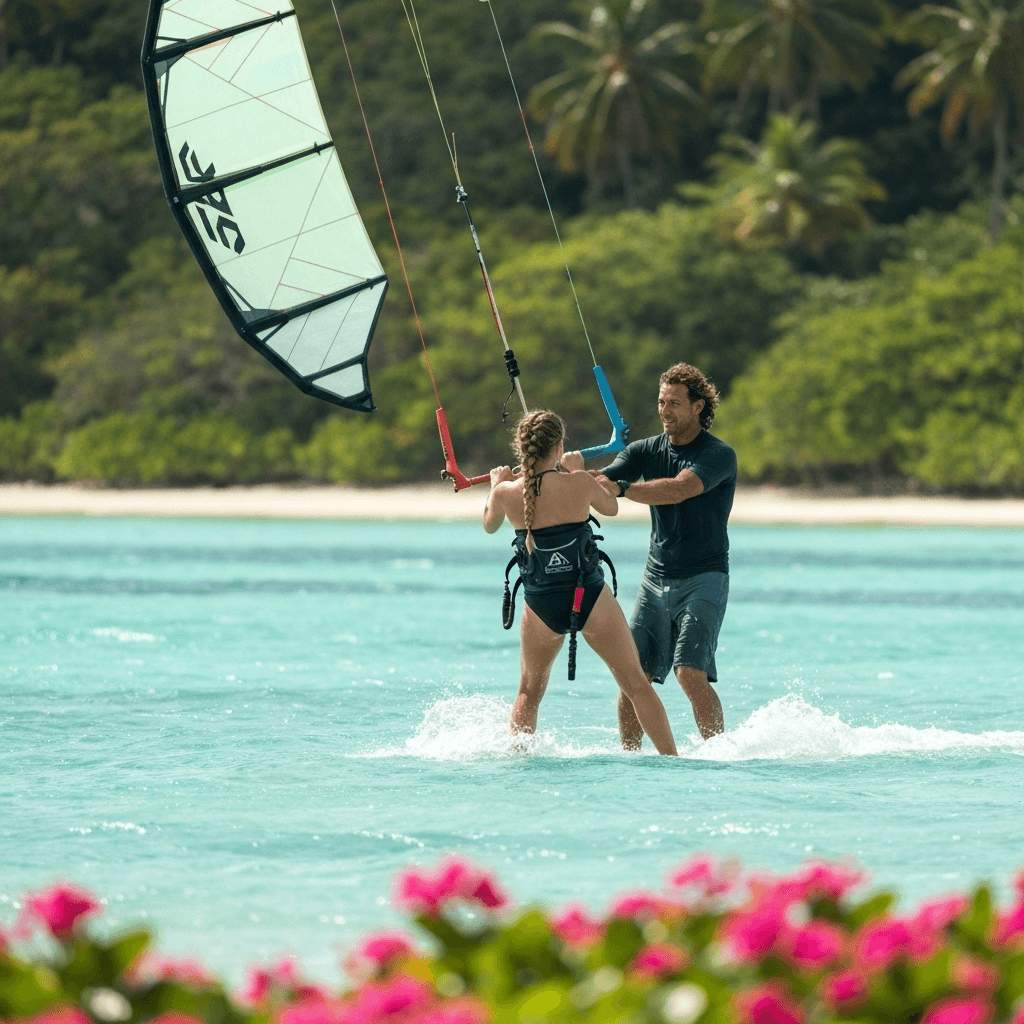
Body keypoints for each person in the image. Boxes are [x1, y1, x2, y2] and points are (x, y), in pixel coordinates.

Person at [483, 409, 678, 756]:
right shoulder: (578, 482)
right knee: (635, 683)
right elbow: (611, 508)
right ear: (559, 446)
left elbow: (489, 524)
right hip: (588, 597)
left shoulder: (507, 494)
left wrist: (497, 484)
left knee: (529, 691)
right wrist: (576, 471)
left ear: (521, 449)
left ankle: (518, 762)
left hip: (541, 603)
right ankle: (672, 759)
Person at [594, 363, 736, 746]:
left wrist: (623, 489)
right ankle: (631, 761)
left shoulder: (718, 455)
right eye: (661, 401)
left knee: (689, 672)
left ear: (698, 406)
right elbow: (604, 482)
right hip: (655, 579)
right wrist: (553, 473)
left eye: (674, 402)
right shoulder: (644, 450)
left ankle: (716, 754)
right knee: (631, 676)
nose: (664, 410)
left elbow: (679, 489)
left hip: (705, 577)